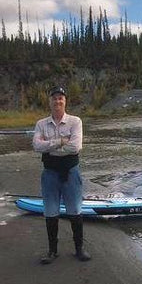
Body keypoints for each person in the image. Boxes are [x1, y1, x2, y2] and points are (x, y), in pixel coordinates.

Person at [32, 85, 91, 263]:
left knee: (75, 210)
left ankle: (79, 249)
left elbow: (75, 147)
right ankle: (52, 251)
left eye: (61, 98)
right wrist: (60, 142)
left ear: (65, 101)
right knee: (50, 211)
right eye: (54, 98)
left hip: (71, 172)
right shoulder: (41, 124)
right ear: (49, 101)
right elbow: (36, 146)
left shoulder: (76, 121)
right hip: (49, 173)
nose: (58, 101)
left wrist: (49, 144)